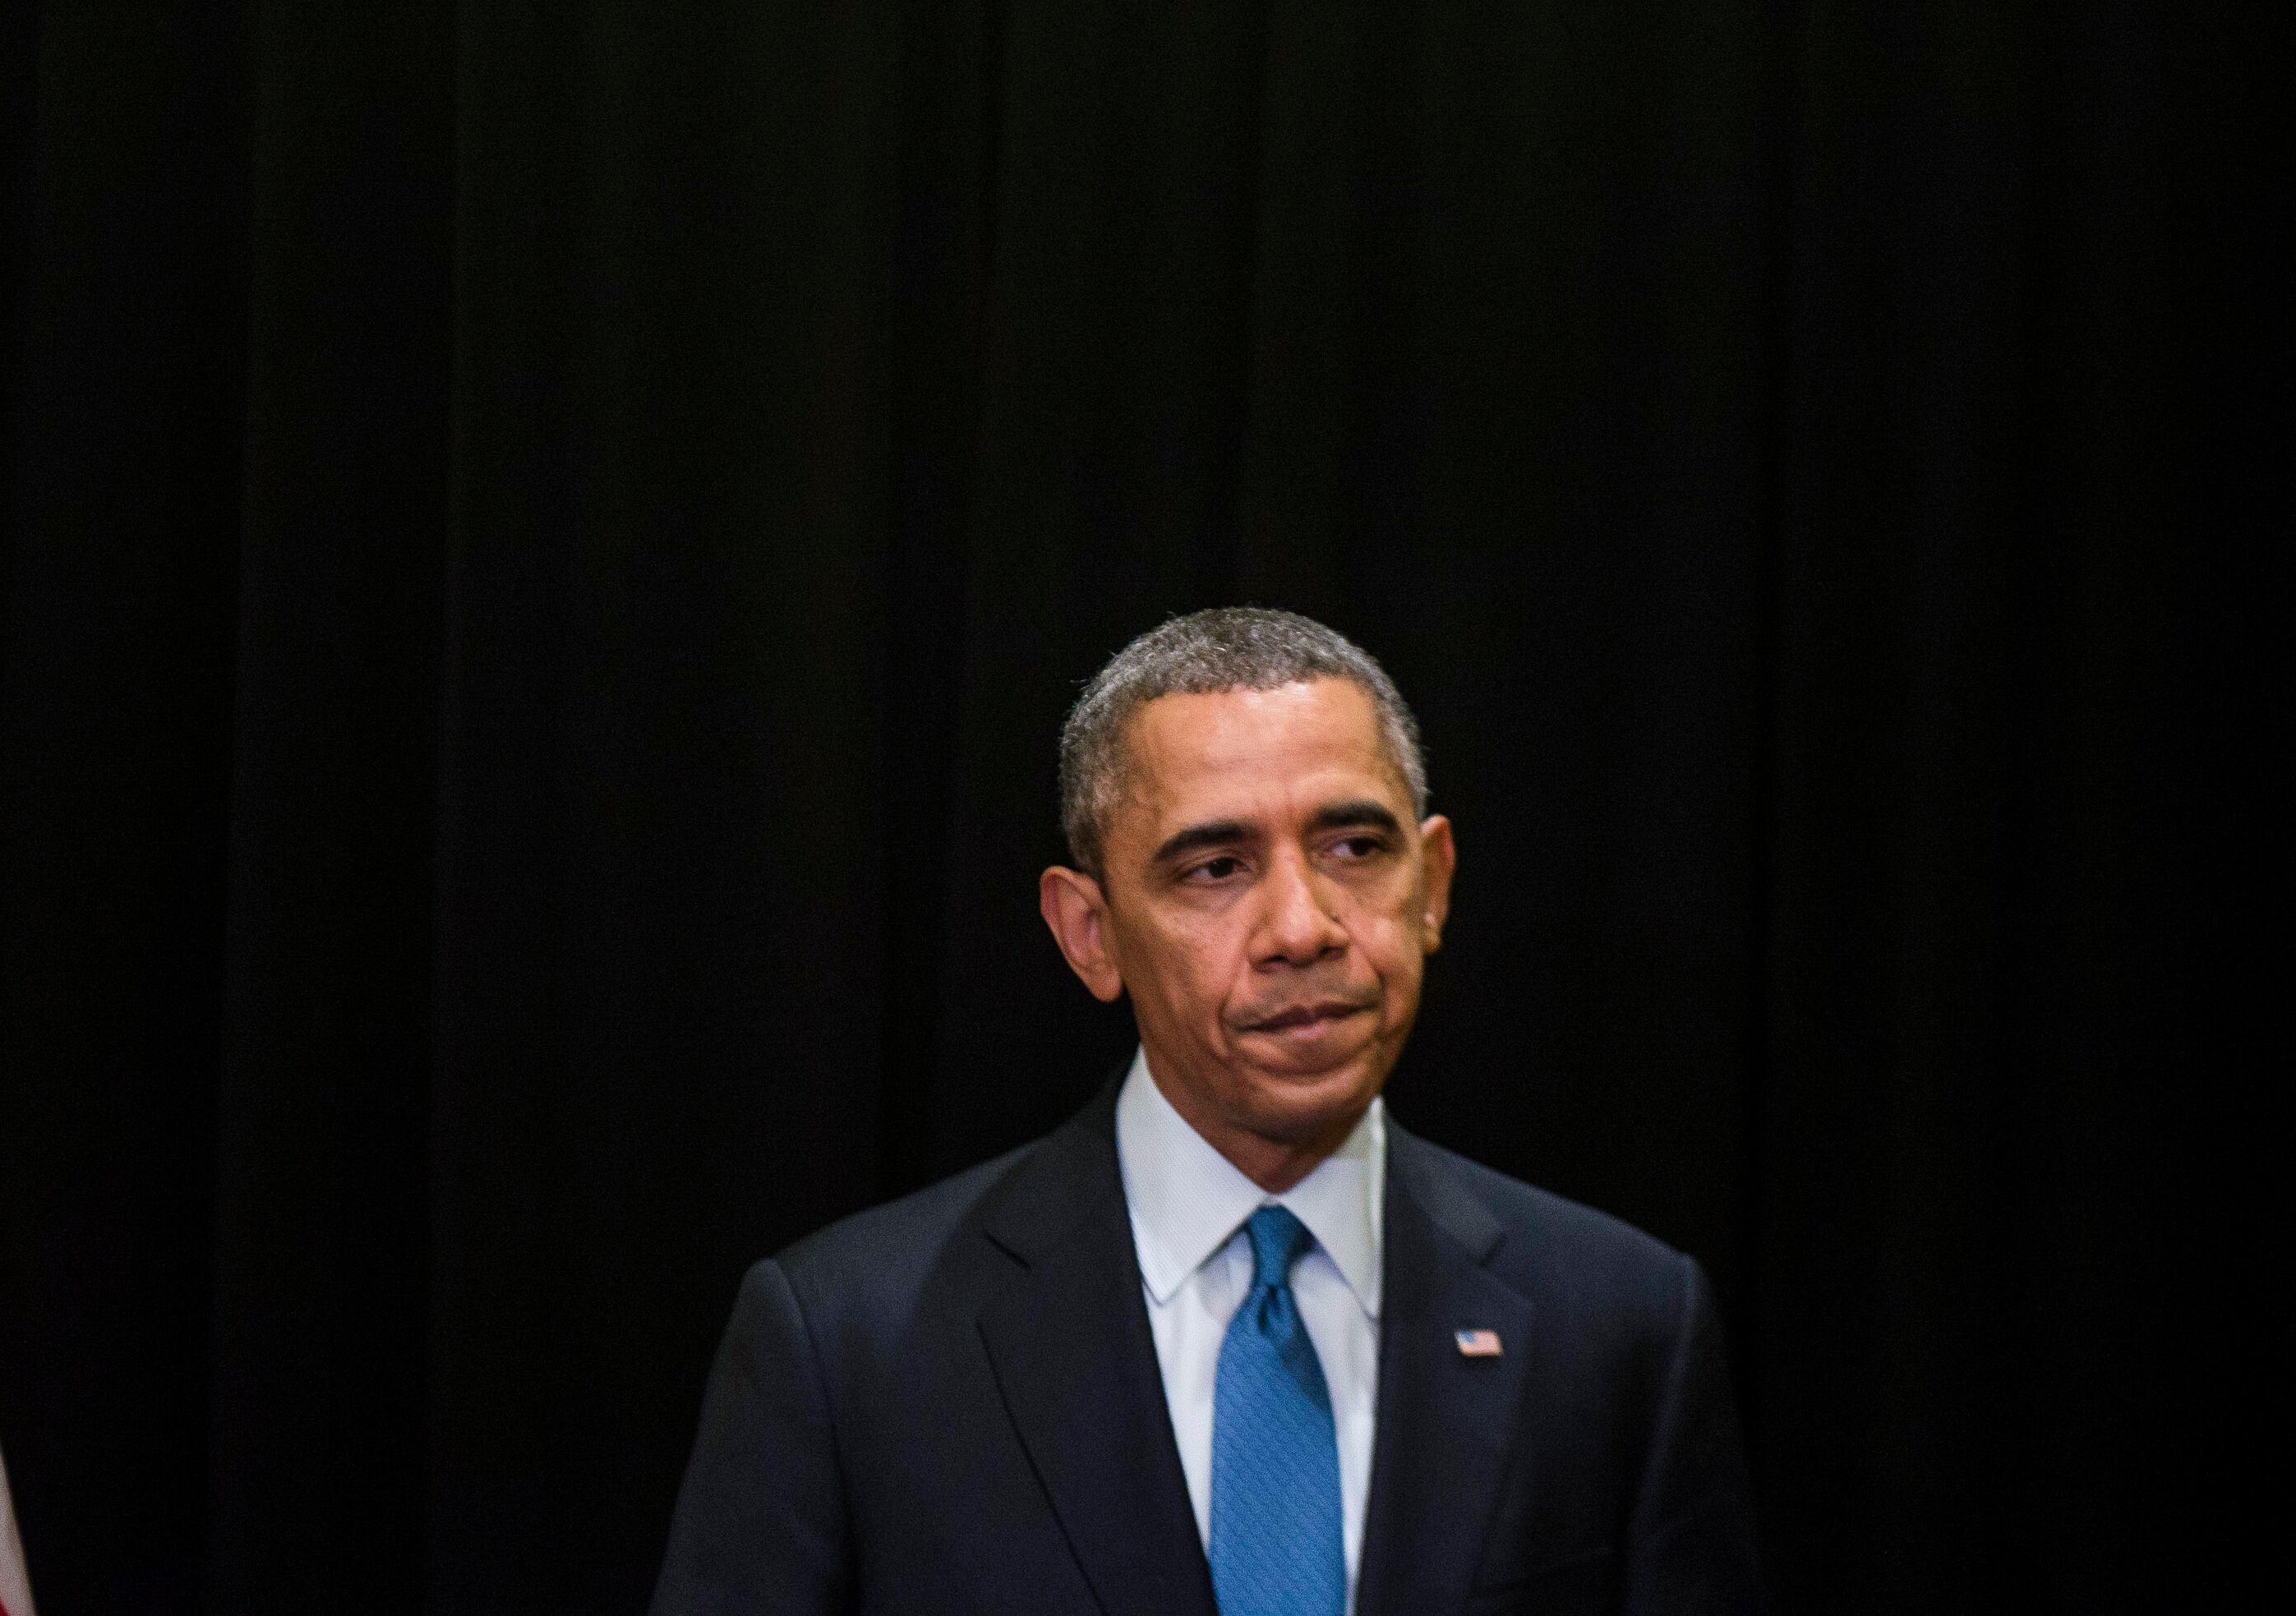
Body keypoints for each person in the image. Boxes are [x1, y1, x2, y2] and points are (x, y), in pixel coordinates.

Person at [650, 608, 1763, 1616]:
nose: (1302, 925)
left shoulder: (1622, 1327)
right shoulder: (848, 1346)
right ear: (1089, 934)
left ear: (1433, 884)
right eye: (1217, 867)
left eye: (1355, 849)